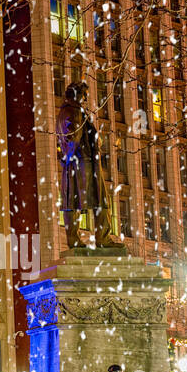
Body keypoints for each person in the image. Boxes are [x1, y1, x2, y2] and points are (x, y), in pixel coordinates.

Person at [56, 82, 121, 248]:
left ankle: (74, 240)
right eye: (83, 94)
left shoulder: (63, 112)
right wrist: (68, 156)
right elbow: (74, 138)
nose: (85, 98)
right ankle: (103, 238)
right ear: (76, 94)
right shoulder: (75, 111)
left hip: (73, 164)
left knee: (71, 202)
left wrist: (65, 158)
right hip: (85, 164)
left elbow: (67, 139)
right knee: (101, 200)